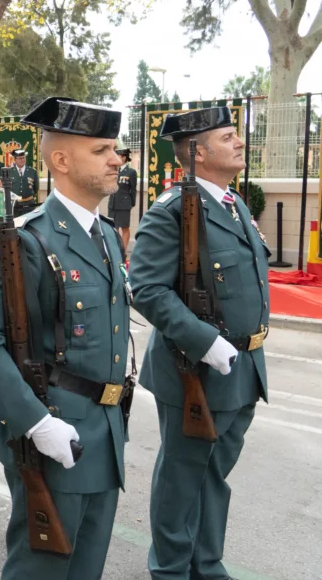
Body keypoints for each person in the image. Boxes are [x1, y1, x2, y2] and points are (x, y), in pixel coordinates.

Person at [0, 97, 131, 579]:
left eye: (114, 149)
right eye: (101, 151)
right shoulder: (28, 241)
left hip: (105, 432)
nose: (115, 159)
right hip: (55, 432)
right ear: (61, 160)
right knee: (42, 571)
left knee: (85, 569)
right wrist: (35, 423)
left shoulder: (105, 235)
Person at [129, 107, 269, 580]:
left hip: (244, 368)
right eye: (228, 137)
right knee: (182, 477)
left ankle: (206, 565)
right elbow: (147, 289)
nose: (239, 142)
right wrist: (204, 341)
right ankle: (170, 570)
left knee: (214, 476)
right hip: (195, 368)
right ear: (199, 152)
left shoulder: (233, 204)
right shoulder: (172, 212)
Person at [107, 148, 138, 252]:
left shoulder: (131, 172)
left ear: (124, 157)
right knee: (113, 228)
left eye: (118, 156)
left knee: (124, 227)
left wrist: (132, 203)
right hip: (113, 203)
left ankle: (123, 251)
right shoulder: (113, 170)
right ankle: (115, 250)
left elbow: (133, 189)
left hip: (124, 204)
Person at [8, 149, 40, 214]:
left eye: (23, 158)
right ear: (15, 159)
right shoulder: (10, 172)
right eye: (20, 158)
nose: (22, 160)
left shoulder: (32, 171)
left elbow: (36, 188)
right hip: (15, 205)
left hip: (29, 204)